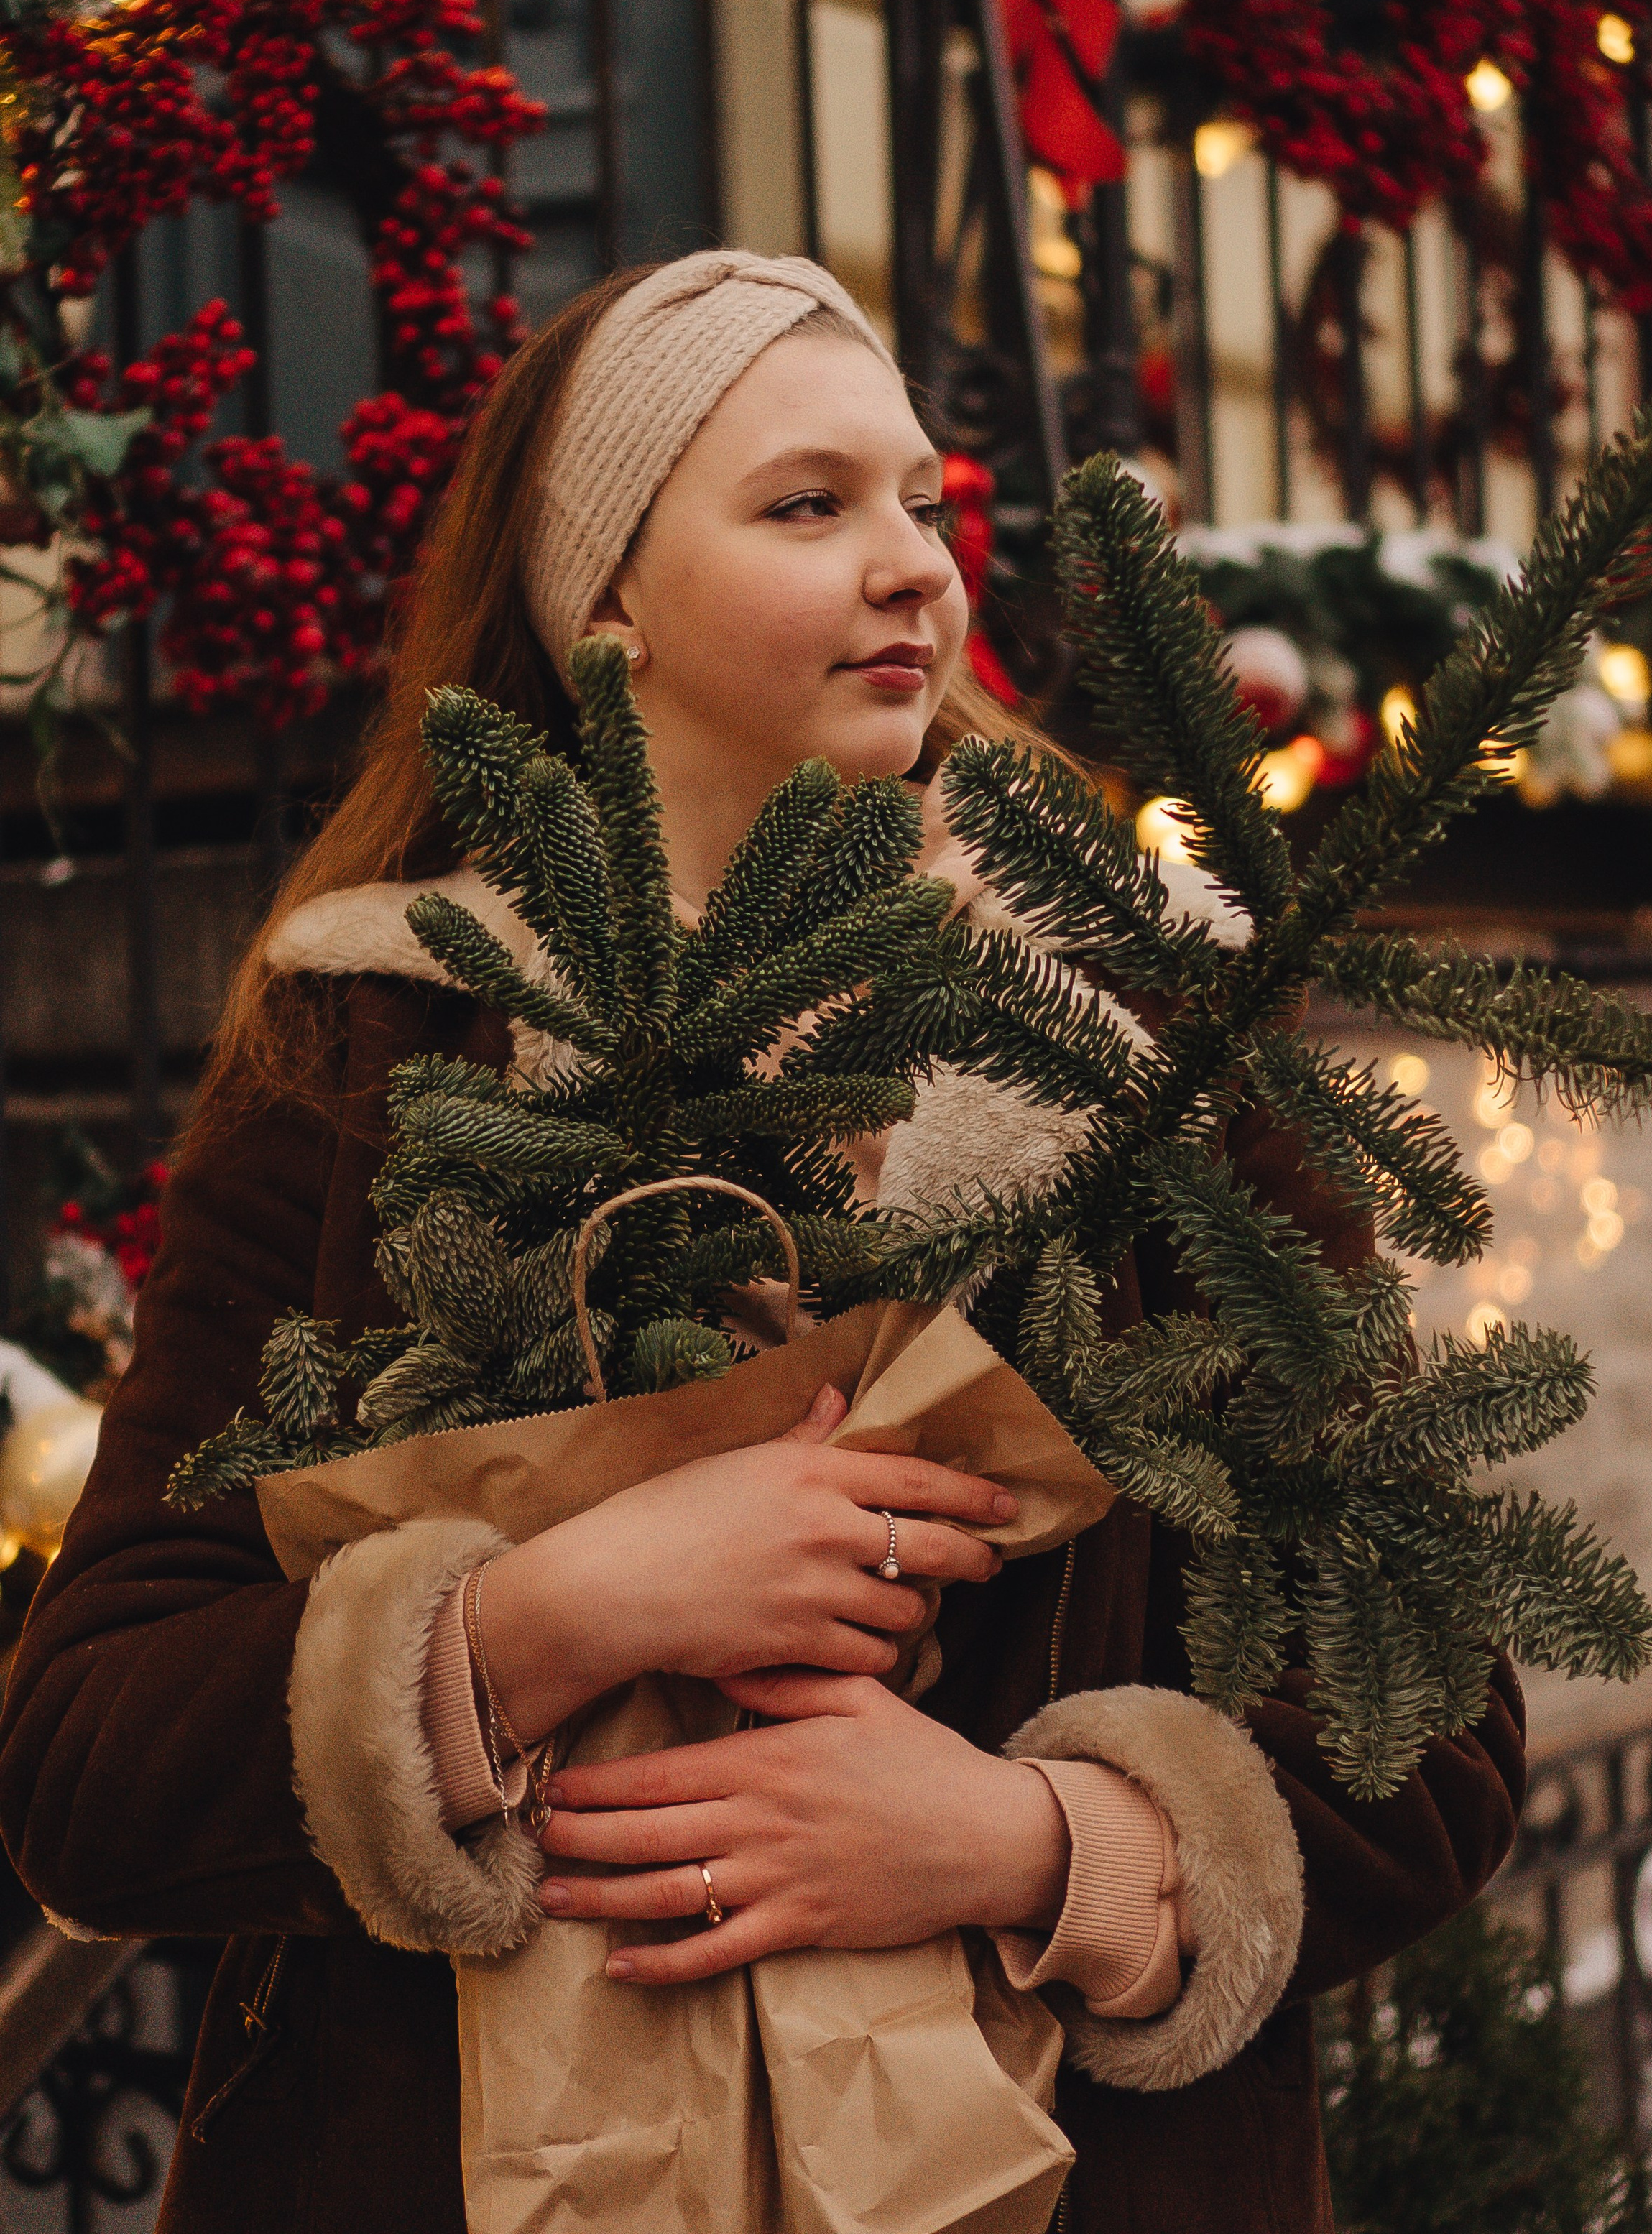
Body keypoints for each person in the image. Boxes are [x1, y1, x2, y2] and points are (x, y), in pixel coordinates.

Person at [0, 251, 1523, 2234]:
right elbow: (88, 1767)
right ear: (607, 595)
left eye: (916, 500)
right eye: (809, 507)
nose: (913, 564)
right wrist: (554, 1616)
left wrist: (1034, 1843)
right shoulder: (365, 1047)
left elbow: (1441, 1717)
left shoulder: (1136, 1042)